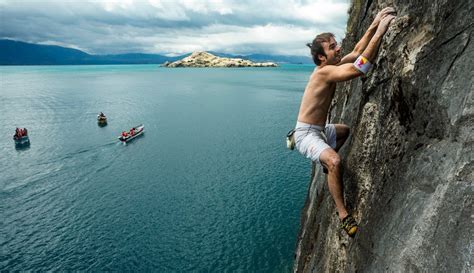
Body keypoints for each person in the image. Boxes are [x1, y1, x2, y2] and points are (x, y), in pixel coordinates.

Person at [293, 7, 396, 237]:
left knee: (345, 131)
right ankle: (343, 214)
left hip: (318, 130)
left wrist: (374, 21)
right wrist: (380, 32)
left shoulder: (329, 66)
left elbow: (358, 51)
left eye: (336, 44)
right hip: (305, 134)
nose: (339, 48)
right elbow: (360, 67)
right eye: (332, 48)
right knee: (335, 161)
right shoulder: (323, 73)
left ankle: (326, 163)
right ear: (321, 57)